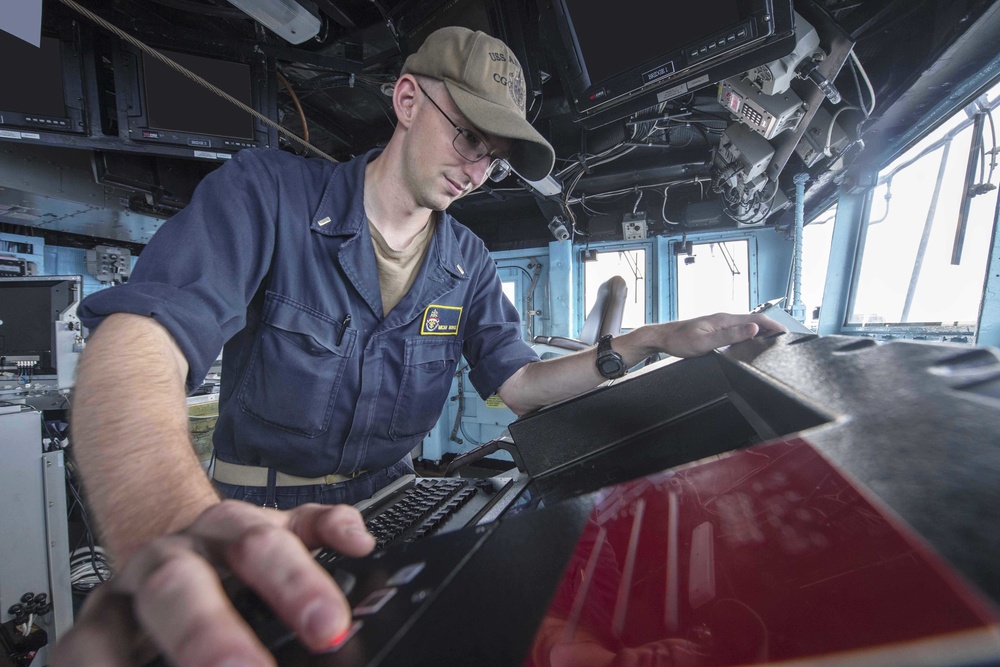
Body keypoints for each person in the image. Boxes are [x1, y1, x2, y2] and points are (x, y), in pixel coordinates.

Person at [54, 26, 785, 667]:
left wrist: (652, 338)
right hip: (262, 520)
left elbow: (520, 384)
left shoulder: (467, 263)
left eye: (493, 160)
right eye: (469, 137)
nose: (475, 171)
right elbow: (138, 341)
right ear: (407, 102)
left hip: (400, 511)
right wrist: (173, 524)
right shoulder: (268, 195)